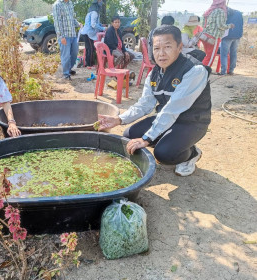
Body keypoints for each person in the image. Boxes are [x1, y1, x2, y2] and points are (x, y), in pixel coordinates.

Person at [98, 25, 212, 176]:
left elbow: (173, 108)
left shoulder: (194, 71)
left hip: (191, 122)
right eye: (157, 48)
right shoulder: (154, 74)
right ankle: (173, 142)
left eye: (167, 47)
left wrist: (147, 138)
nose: (161, 54)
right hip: (167, 118)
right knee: (128, 136)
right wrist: (119, 119)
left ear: (179, 47)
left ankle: (191, 154)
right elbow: (144, 104)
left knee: (164, 154)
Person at [52, 0, 80, 80]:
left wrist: (78, 24)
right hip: (64, 36)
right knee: (66, 56)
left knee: (74, 53)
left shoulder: (70, 3)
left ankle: (69, 69)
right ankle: (66, 74)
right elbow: (57, 22)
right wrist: (61, 36)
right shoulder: (57, 5)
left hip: (73, 34)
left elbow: (72, 18)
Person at [201, 0, 234, 67]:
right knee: (210, 58)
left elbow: (203, 24)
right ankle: (204, 73)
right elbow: (220, 26)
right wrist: (230, 26)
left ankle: (201, 73)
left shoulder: (209, 11)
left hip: (205, 36)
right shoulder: (220, 11)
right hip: (213, 37)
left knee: (207, 56)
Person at [80, 0, 106, 67]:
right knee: (91, 49)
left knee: (88, 48)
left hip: (85, 32)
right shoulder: (94, 12)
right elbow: (93, 24)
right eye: (100, 1)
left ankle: (86, 63)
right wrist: (103, 28)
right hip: (88, 33)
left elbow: (95, 23)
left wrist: (100, 25)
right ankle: (90, 65)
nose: (101, 3)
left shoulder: (90, 12)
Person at [219, 8, 243, 75]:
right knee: (234, 53)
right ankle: (231, 70)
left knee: (224, 54)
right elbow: (241, 24)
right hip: (237, 35)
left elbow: (222, 25)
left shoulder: (225, 13)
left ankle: (223, 72)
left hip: (227, 36)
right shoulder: (239, 13)